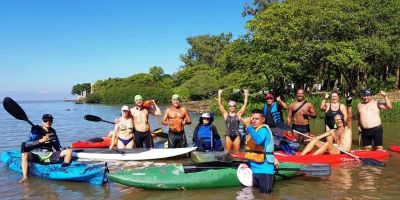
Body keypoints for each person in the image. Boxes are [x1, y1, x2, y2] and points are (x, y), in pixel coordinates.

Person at [19, 114, 72, 183]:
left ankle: (64, 170)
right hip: (36, 155)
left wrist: (62, 150)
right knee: (24, 155)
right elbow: (26, 145)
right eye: (45, 120)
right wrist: (41, 140)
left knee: (69, 151)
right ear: (42, 121)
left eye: (50, 120)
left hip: (49, 155)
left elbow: (57, 146)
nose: (48, 122)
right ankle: (25, 177)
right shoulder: (36, 130)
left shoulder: (52, 132)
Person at [240, 109, 277, 193]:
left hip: (265, 170)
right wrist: (248, 163)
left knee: (265, 196)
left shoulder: (263, 130)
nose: (254, 121)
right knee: (256, 195)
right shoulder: (252, 131)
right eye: (252, 119)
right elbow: (252, 151)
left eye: (257, 119)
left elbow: (259, 140)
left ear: (263, 119)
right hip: (254, 169)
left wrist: (248, 126)